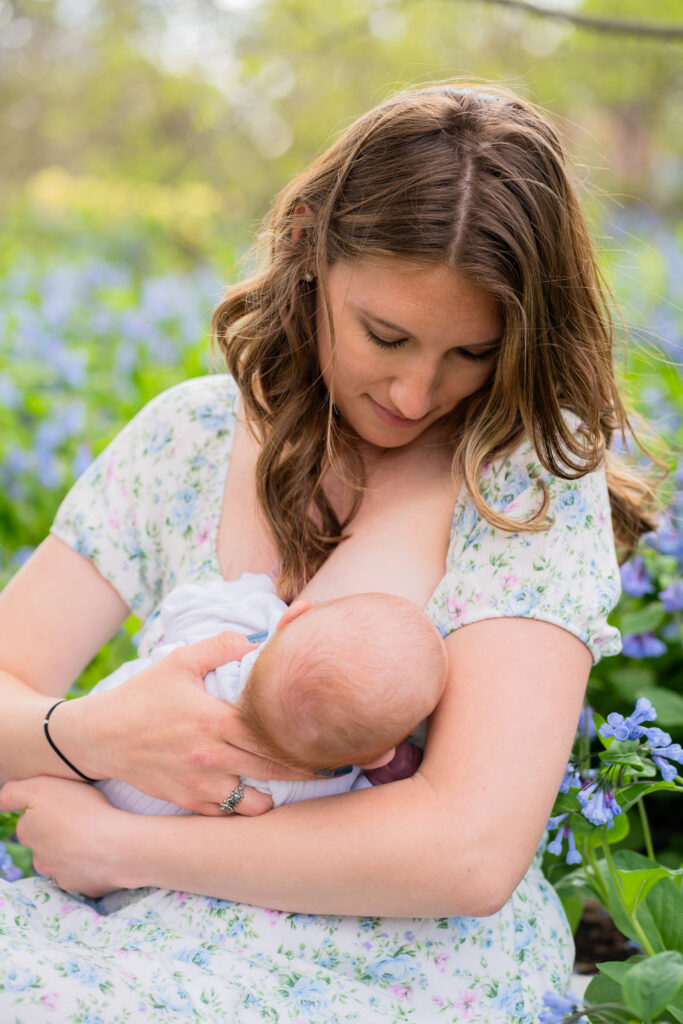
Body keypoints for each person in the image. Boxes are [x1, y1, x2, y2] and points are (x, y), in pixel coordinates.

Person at [0, 83, 655, 1023]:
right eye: (384, 335)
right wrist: (90, 733)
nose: (415, 392)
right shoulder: (188, 438)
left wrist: (123, 847)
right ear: (307, 244)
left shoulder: (518, 481)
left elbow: (465, 852)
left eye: (470, 353)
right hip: (122, 933)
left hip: (387, 961)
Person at [91, 575, 447, 815]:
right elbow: (355, 810)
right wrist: (385, 775)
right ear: (377, 755)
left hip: (96, 727)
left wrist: (256, 586)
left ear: (294, 616)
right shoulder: (316, 789)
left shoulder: (241, 629)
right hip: (120, 817)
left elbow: (183, 606)